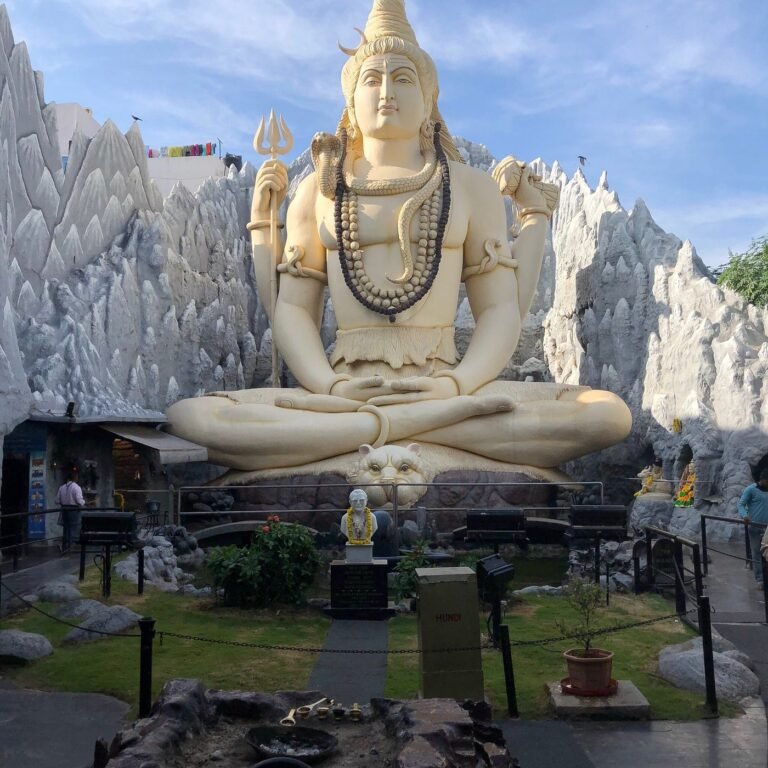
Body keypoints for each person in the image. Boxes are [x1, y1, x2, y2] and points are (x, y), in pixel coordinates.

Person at [167, 0, 631, 472]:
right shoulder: (317, 190)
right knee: (192, 418)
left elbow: (499, 309)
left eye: (403, 78)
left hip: (443, 382)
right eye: (372, 78)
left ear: (429, 100)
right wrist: (327, 386)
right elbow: (290, 308)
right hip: (344, 390)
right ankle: (416, 427)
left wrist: (455, 386)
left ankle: (363, 432)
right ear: (351, 100)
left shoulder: (468, 187)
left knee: (606, 415)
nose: (386, 91)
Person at [737, 469, 768, 586]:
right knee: (756, 553)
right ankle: (760, 579)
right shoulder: (751, 489)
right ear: (762, 480)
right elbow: (741, 504)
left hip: (767, 529)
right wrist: (744, 515)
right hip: (755, 527)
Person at [56, 471, 85, 552]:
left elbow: (57, 500)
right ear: (75, 478)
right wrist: (84, 502)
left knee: (66, 528)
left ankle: (64, 545)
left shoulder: (61, 487)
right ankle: (70, 546)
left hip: (64, 509)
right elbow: (79, 500)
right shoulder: (76, 487)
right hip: (73, 510)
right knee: (73, 528)